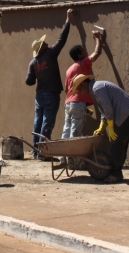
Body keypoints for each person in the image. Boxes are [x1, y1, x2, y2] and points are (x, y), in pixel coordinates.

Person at [25, 9, 72, 159]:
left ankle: (36, 151)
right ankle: (43, 153)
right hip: (51, 95)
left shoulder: (33, 63)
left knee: (38, 122)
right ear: (42, 48)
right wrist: (68, 20)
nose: (46, 42)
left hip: (39, 96)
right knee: (47, 123)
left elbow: (29, 81)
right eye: (44, 43)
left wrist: (38, 75)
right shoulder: (50, 54)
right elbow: (61, 40)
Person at [88, 79, 129, 184]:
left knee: (116, 143)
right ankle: (117, 172)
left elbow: (108, 108)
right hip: (127, 112)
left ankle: (115, 174)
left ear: (84, 84)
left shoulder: (97, 88)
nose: (80, 92)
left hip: (125, 112)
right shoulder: (96, 89)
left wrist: (110, 127)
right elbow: (104, 110)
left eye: (79, 89)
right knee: (120, 143)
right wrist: (102, 126)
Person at [62, 30, 104, 140]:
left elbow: (66, 89)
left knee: (67, 130)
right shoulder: (83, 63)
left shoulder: (69, 70)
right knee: (75, 132)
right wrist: (98, 38)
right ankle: (73, 151)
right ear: (79, 55)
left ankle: (63, 151)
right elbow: (97, 53)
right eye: (83, 51)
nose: (86, 52)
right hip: (78, 102)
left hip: (68, 103)